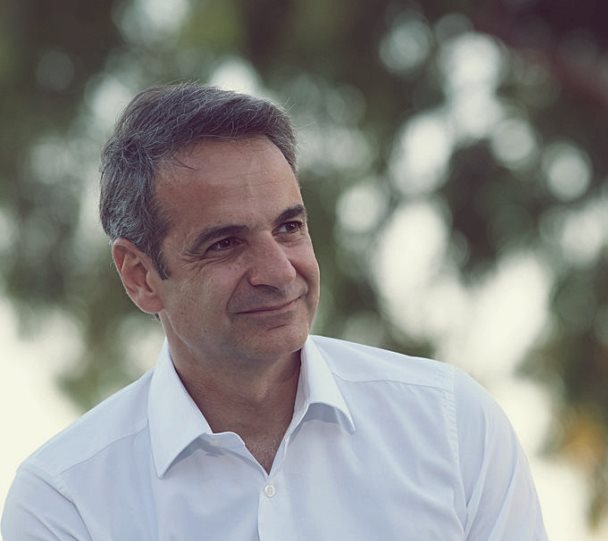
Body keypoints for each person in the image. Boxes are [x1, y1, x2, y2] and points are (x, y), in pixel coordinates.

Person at [1, 84, 547, 540]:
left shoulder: (451, 426)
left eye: (289, 227)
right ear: (141, 277)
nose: (279, 272)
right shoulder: (65, 503)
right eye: (224, 244)